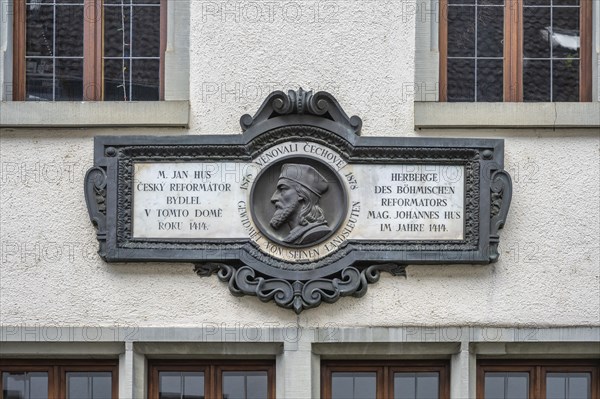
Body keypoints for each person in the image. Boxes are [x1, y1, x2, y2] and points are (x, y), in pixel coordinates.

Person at [270, 164, 332, 245]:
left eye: (282, 189)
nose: (273, 198)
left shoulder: (315, 233)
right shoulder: (294, 237)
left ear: (302, 195)